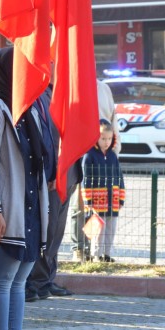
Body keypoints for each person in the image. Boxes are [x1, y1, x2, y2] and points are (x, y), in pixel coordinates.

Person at [0, 47, 48, 330]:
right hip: (9, 207)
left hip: (30, 205)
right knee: (1, 279)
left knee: (20, 279)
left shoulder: (30, 108)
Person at [25, 80, 76, 301]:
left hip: (69, 171)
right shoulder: (37, 92)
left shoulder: (58, 89)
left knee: (57, 229)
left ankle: (46, 277)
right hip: (53, 172)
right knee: (49, 226)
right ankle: (37, 280)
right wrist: (50, 170)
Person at [70, 79, 119, 262]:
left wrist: (114, 148)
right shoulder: (74, 84)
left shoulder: (104, 88)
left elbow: (113, 119)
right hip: (81, 154)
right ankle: (80, 248)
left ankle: (98, 251)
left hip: (104, 155)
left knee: (103, 211)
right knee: (80, 206)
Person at [81, 120, 125, 263]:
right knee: (98, 230)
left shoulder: (113, 156)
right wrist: (88, 200)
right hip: (97, 201)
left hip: (113, 200)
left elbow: (119, 177)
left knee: (111, 229)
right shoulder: (89, 156)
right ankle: (96, 255)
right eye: (103, 138)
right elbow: (85, 179)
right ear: (96, 137)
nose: (106, 142)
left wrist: (121, 198)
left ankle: (106, 254)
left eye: (109, 139)